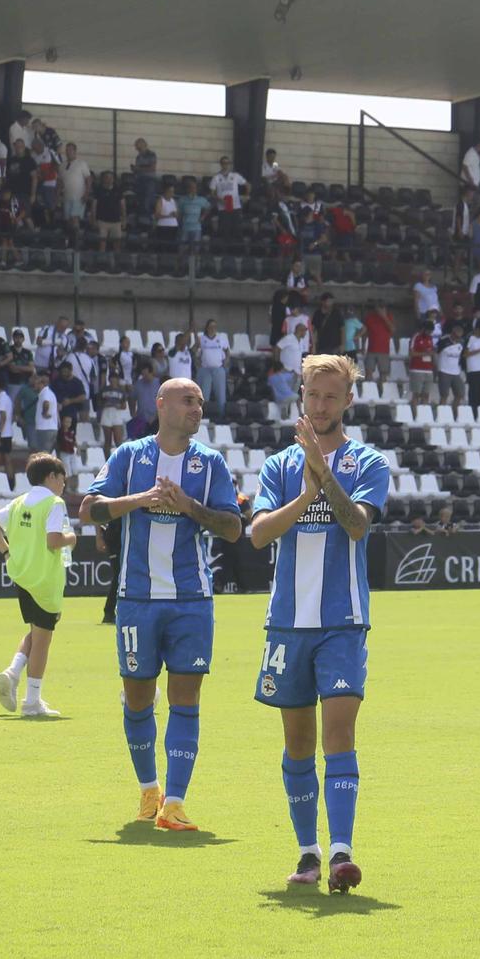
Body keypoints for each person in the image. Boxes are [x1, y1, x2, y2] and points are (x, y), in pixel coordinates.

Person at [249, 355, 390, 892]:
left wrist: (325, 475)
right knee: (297, 744)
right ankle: (308, 853)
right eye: (313, 394)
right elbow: (258, 534)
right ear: (301, 395)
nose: (321, 405)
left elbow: (357, 527)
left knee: (339, 734)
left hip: (342, 623)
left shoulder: (369, 462)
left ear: (348, 401)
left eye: (331, 396)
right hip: (287, 625)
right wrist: (307, 491)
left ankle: (341, 853)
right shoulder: (279, 466)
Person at [82, 379, 245, 830]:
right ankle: (148, 791)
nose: (198, 408)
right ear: (161, 405)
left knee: (185, 699)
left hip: (191, 599)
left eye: (200, 401)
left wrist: (189, 506)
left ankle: (174, 803)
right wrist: (141, 499)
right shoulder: (130, 456)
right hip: (136, 599)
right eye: (188, 400)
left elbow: (233, 528)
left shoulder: (209, 463)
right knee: (137, 699)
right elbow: (88, 509)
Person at [0, 454, 79, 721]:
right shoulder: (54, 502)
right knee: (43, 640)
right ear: (51, 477)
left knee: (35, 633)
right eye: (62, 479)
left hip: (21, 575)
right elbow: (53, 540)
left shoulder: (18, 502)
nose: (63, 485)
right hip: (45, 579)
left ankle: (13, 672)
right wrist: (71, 538)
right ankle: (32, 701)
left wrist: (6, 553)